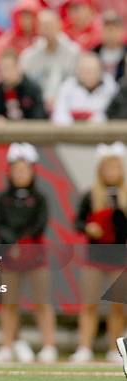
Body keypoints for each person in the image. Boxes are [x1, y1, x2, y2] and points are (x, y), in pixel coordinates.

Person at [0, 143, 57, 364]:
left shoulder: (40, 198)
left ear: (32, 170)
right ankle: (6, 346)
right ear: (9, 171)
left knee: (42, 302)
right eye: (16, 169)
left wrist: (25, 243)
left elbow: (40, 223)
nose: (20, 174)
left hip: (35, 256)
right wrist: (12, 243)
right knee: (9, 304)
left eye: (25, 169)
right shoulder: (3, 198)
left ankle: (49, 345)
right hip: (9, 256)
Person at [71, 142, 126, 364]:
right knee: (89, 304)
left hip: (120, 259)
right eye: (107, 168)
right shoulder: (90, 196)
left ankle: (115, 348)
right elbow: (77, 222)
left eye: (115, 168)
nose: (110, 173)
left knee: (118, 307)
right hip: (94, 258)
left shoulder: (124, 197)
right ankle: (84, 346)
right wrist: (89, 228)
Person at [20, 9, 80, 109]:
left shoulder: (73, 52)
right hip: (37, 106)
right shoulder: (29, 56)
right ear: (37, 28)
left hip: (68, 106)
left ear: (59, 25)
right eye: (43, 25)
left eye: (49, 25)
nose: (46, 29)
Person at [52, 52, 118, 125]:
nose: (88, 74)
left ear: (100, 71)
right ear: (77, 71)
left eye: (93, 70)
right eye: (84, 70)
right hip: (70, 132)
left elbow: (115, 114)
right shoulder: (67, 86)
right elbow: (59, 114)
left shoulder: (111, 86)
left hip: (104, 132)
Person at [0, 49, 47, 120]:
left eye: (7, 68)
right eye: (2, 69)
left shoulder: (32, 89)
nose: (5, 74)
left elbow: (39, 116)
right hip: (5, 130)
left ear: (18, 67)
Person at [0, 0, 41, 72]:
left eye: (29, 17)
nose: (25, 21)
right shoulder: (12, 37)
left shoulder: (41, 38)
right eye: (22, 17)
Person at [92, 11, 127, 83]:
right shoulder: (94, 53)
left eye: (114, 29)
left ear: (122, 31)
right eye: (107, 29)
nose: (111, 34)